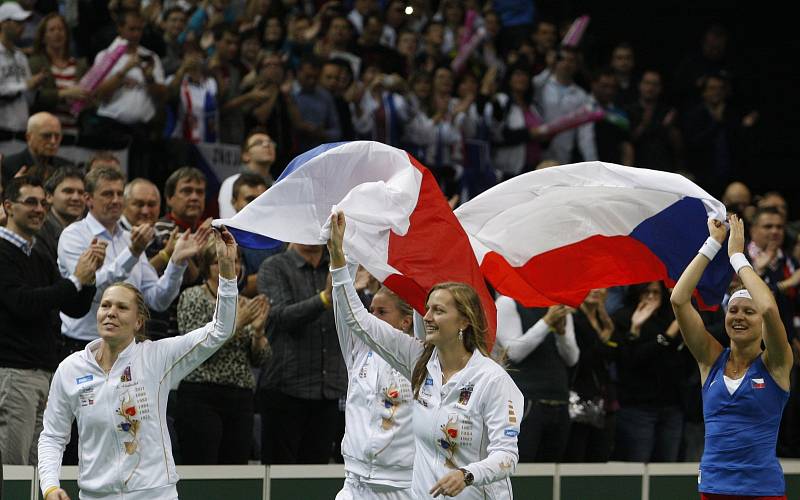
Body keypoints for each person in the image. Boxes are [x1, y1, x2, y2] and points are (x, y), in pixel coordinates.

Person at [328, 211, 523, 499]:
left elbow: (507, 456)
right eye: (427, 308)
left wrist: (467, 475)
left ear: (464, 321)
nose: (427, 317)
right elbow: (356, 319)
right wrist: (338, 258)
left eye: (439, 311)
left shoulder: (492, 380)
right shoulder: (419, 362)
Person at [38, 227, 239, 500]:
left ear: (139, 321)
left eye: (121, 308)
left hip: (154, 495)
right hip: (95, 496)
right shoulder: (72, 369)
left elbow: (220, 330)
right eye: (105, 305)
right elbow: (52, 436)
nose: (110, 313)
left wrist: (227, 270)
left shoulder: (157, 357)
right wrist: (49, 486)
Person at [670, 215, 792, 499]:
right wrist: (712, 244)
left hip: (763, 491)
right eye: (733, 310)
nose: (739, 317)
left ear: (760, 322)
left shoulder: (776, 362)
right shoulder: (710, 359)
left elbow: (770, 310)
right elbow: (678, 299)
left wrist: (738, 256)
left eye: (749, 312)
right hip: (713, 488)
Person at [0, 176, 99, 466]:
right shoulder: (2, 252)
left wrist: (88, 277)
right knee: (12, 471)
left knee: (35, 470)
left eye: (43, 203)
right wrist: (75, 280)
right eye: (30, 202)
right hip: (13, 373)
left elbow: (73, 307)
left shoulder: (39, 255)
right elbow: (23, 304)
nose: (39, 209)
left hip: (43, 375)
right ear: (8, 206)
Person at [175, 240, 270, 464]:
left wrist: (257, 333)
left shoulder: (246, 303)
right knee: (203, 470)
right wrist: (237, 323)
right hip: (201, 395)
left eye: (236, 261)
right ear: (208, 266)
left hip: (240, 397)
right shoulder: (192, 297)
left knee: (234, 473)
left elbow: (260, 360)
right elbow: (194, 349)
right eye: (221, 261)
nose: (231, 266)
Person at [333, 263, 416, 499]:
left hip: (404, 486)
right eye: (371, 310)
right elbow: (343, 306)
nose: (372, 317)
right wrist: (343, 256)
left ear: (406, 322)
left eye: (382, 312)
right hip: (355, 483)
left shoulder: (420, 360)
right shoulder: (358, 350)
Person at [2, 112, 74, 185]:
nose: (53, 141)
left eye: (57, 136)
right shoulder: (8, 166)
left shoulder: (67, 167)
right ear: (29, 137)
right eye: (46, 136)